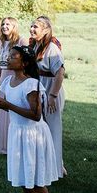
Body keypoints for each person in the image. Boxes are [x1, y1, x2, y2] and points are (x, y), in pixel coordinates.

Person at [0, 45, 58, 193]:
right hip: (17, 132)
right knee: (23, 177)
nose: (9, 59)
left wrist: (7, 105)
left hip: (32, 134)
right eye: (9, 56)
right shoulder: (6, 82)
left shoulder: (32, 84)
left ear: (24, 63)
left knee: (36, 181)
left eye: (13, 57)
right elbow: (8, 104)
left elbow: (35, 115)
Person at [30, 16, 66, 178]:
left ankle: (54, 169)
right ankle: (43, 164)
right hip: (40, 91)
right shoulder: (36, 45)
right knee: (40, 129)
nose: (31, 29)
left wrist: (52, 95)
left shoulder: (52, 48)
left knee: (52, 130)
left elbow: (60, 72)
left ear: (45, 30)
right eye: (31, 26)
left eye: (35, 27)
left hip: (51, 92)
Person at [0, 17, 28, 154]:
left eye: (8, 24)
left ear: (14, 26)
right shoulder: (0, 42)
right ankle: (2, 144)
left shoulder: (21, 41)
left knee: (13, 110)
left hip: (16, 78)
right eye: (3, 24)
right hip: (4, 79)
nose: (4, 26)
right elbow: (0, 62)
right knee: (3, 111)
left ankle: (15, 145)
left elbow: (26, 62)